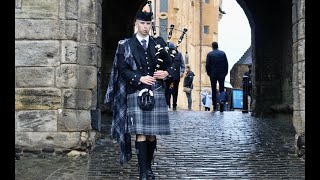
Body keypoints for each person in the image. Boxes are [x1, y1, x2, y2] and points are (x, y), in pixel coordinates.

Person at [104, 10, 181, 180]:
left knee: (152, 134)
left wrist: (167, 73)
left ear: (151, 25)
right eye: (142, 24)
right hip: (135, 92)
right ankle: (143, 172)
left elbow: (175, 63)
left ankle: (148, 168)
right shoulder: (126, 45)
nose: (145, 27)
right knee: (141, 133)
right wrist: (139, 77)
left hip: (156, 92)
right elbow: (122, 69)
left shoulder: (159, 43)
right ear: (136, 24)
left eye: (148, 24)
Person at [205, 41, 228, 111]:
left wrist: (209, 74)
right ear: (217, 46)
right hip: (221, 74)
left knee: (213, 89)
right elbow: (226, 64)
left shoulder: (210, 54)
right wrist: (225, 73)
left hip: (213, 74)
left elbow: (207, 66)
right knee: (221, 89)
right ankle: (221, 101)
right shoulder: (223, 53)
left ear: (212, 46)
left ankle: (214, 105)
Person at [164, 42, 185, 111]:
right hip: (167, 75)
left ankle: (174, 105)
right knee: (166, 91)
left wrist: (182, 72)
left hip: (175, 76)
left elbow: (182, 64)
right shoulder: (166, 53)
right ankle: (168, 105)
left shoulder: (179, 54)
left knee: (174, 91)